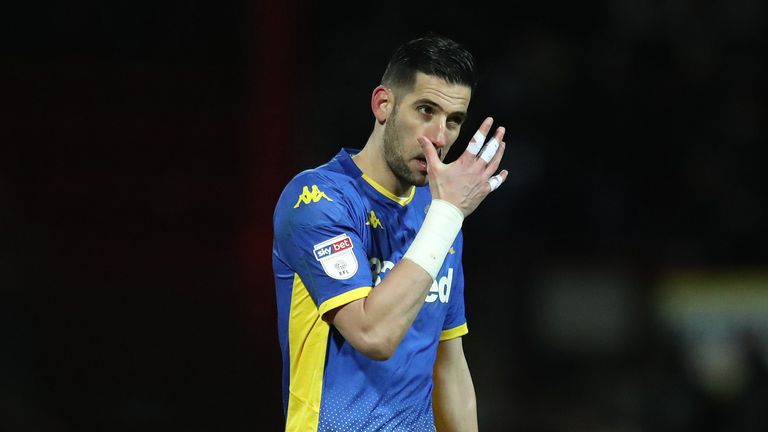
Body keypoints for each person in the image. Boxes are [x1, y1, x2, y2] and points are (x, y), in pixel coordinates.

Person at [272, 33, 508, 431]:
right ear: (383, 104)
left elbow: (449, 367)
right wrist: (448, 215)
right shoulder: (317, 200)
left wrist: (445, 215)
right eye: (426, 110)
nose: (440, 137)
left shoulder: (438, 214)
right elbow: (373, 334)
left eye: (454, 121)